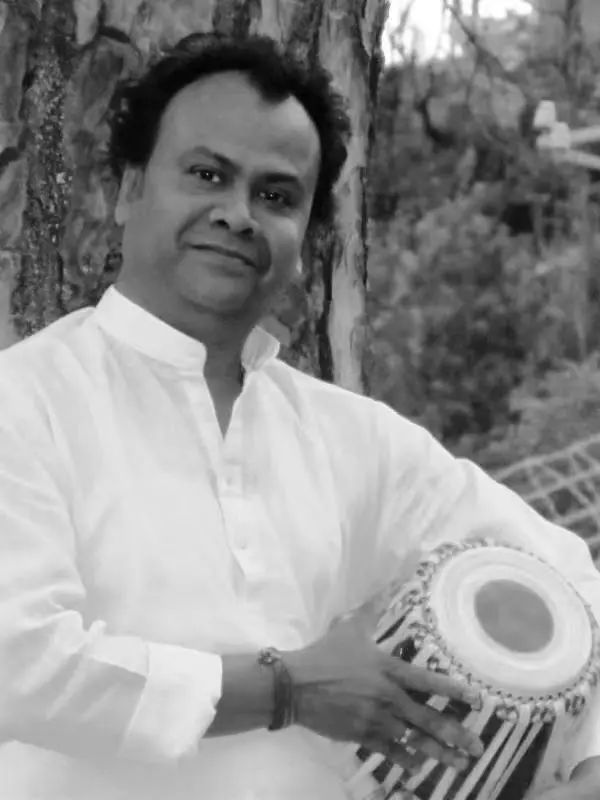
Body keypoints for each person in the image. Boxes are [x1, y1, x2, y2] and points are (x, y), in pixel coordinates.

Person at [0, 33, 597, 800]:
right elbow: (20, 664)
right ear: (128, 189)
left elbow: (571, 584)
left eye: (276, 196)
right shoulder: (27, 401)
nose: (237, 214)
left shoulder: (350, 440)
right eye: (207, 174)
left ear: (307, 242)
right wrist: (286, 689)